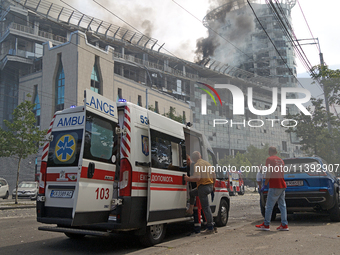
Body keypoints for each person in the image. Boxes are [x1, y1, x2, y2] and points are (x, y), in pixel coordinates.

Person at [256, 146, 289, 231]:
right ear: (276, 152)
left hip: (275, 185)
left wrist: (265, 184)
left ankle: (266, 224)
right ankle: (284, 224)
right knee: (282, 205)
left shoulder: (269, 159)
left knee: (269, 206)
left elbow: (269, 172)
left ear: (269, 151)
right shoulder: (281, 160)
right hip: (282, 185)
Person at [184, 151, 216, 234]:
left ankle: (210, 227)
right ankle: (191, 209)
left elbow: (197, 178)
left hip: (203, 188)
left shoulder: (197, 165)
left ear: (194, 159)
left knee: (206, 208)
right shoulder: (208, 164)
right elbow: (214, 175)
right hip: (209, 186)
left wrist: (188, 178)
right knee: (192, 193)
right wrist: (213, 186)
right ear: (200, 156)